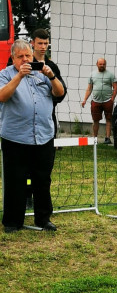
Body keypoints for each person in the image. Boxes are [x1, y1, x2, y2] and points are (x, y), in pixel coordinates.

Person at [0, 39, 65, 232]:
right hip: (16, 137)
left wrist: (52, 76)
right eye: (20, 56)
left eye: (27, 55)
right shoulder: (5, 74)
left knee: (42, 179)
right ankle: (13, 222)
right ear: (13, 58)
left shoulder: (42, 74)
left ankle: (43, 219)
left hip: (43, 135)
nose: (25, 59)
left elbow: (59, 93)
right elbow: (2, 96)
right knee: (15, 180)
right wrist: (19, 76)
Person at [81, 58, 117, 143]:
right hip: (96, 101)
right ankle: (95, 138)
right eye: (100, 64)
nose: (102, 66)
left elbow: (115, 87)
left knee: (108, 119)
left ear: (106, 65)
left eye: (103, 64)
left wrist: (112, 99)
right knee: (95, 120)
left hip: (108, 100)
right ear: (97, 64)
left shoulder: (110, 75)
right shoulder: (92, 74)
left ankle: (107, 138)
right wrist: (85, 100)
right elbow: (89, 88)